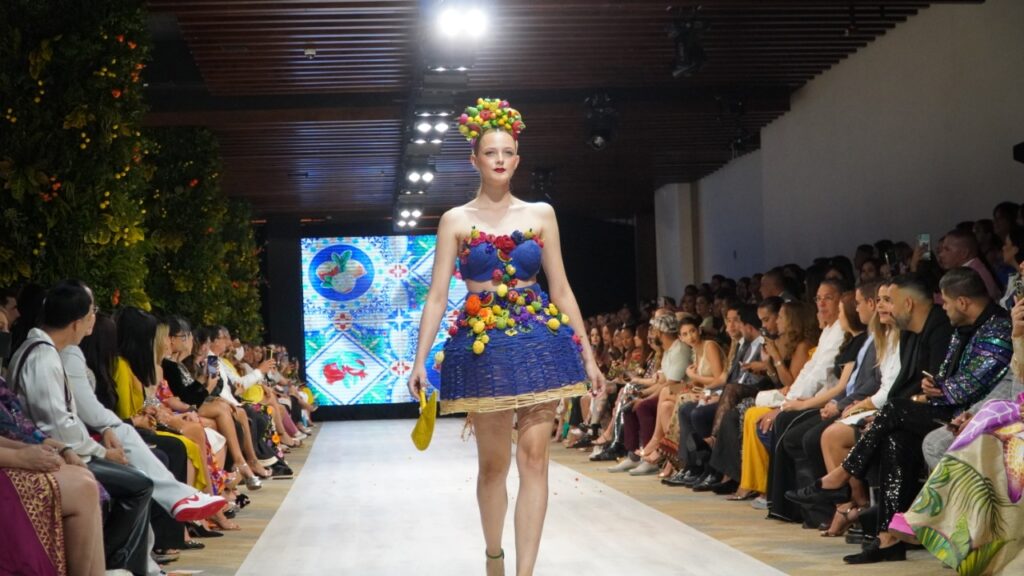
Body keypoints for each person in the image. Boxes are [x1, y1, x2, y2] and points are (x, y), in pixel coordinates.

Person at [405, 98, 604, 576]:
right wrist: (419, 359)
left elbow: (561, 288)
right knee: (494, 466)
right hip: (484, 350)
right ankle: (494, 557)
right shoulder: (455, 220)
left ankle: (525, 572)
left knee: (535, 460)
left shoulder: (541, 214)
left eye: (507, 152)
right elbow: (437, 296)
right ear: (473, 159)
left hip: (541, 344)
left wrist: (589, 358)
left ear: (517, 160)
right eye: (490, 152)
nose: (499, 159)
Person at [788, 268, 1013, 564]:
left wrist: (939, 390)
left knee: (894, 411)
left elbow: (969, 384)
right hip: (950, 409)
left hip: (974, 413)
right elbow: (941, 378)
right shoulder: (958, 328)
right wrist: (937, 388)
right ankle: (888, 539)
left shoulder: (996, 328)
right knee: (896, 439)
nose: (942, 307)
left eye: (945, 302)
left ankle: (844, 474)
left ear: (962, 302)